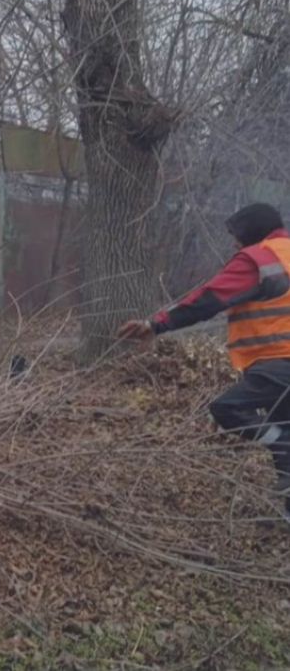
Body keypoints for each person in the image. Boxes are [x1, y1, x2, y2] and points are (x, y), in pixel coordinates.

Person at [119, 203, 290, 499]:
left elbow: (208, 299)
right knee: (282, 428)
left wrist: (156, 324)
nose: (235, 242)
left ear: (254, 232)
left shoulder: (258, 259)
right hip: (278, 363)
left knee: (229, 408)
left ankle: (282, 449)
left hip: (277, 360)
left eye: (238, 234)